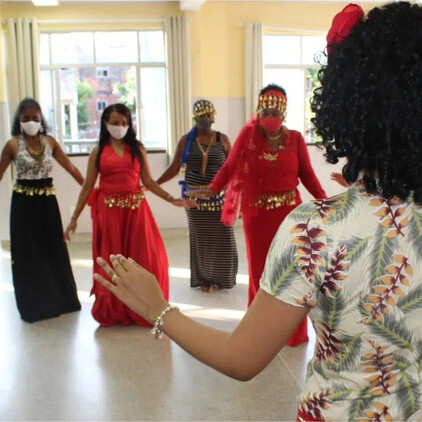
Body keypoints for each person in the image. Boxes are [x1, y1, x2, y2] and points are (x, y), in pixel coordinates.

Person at [93, 2, 422, 420]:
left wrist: (159, 308)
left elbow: (241, 358)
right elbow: (228, 174)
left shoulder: (316, 230)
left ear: (348, 104)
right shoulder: (251, 143)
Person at [187, 84, 326, 346]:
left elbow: (307, 175)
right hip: (258, 217)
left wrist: (326, 202)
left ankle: (291, 331)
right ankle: (261, 330)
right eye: (266, 110)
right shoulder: (248, 140)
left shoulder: (295, 139)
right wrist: (213, 188)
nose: (270, 116)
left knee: (291, 273)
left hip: (290, 217)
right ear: (258, 111)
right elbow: (230, 167)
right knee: (262, 273)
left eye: (276, 110)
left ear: (283, 112)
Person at [64, 103, 193, 327]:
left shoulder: (137, 149)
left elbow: (149, 182)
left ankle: (144, 306)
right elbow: (87, 187)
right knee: (113, 261)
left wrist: (171, 199)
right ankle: (114, 308)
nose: (120, 127)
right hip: (109, 213)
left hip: (136, 212)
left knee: (147, 258)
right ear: (105, 123)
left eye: (124, 123)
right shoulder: (98, 152)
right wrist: (74, 218)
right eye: (115, 123)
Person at [0, 97, 83, 322]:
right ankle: (34, 304)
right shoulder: (12, 145)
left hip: (47, 203)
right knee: (28, 253)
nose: (31, 122)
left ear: (41, 119)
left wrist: (89, 191)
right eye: (26, 118)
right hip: (23, 205)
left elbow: (71, 168)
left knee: (53, 249)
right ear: (19, 119)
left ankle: (61, 300)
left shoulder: (50, 142)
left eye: (35, 118)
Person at [156, 99, 238, 292]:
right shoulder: (186, 140)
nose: (206, 119)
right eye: (202, 116)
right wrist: (155, 183)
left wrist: (237, 198)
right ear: (195, 117)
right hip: (192, 198)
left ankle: (223, 277)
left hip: (218, 197)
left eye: (208, 115)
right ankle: (205, 280)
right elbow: (174, 167)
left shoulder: (222, 139)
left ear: (214, 116)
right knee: (200, 238)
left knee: (222, 237)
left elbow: (233, 169)